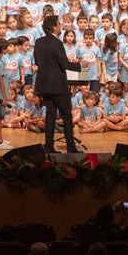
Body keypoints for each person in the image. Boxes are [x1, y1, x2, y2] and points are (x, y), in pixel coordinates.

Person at [34, 14, 81, 154]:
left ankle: (48, 147)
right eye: (59, 24)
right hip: (58, 86)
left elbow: (37, 62)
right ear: (54, 27)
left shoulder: (38, 42)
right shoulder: (57, 43)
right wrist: (79, 65)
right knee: (67, 116)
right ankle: (71, 148)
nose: (61, 26)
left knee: (50, 116)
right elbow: (64, 64)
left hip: (44, 85)